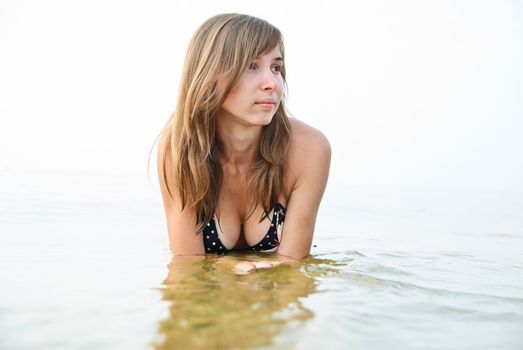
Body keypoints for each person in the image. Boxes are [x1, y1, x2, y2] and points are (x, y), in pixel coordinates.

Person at [157, 13, 330, 262]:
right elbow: (187, 271)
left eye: (276, 67)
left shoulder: (309, 149)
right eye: (251, 66)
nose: (272, 83)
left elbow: (293, 271)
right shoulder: (180, 149)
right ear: (210, 75)